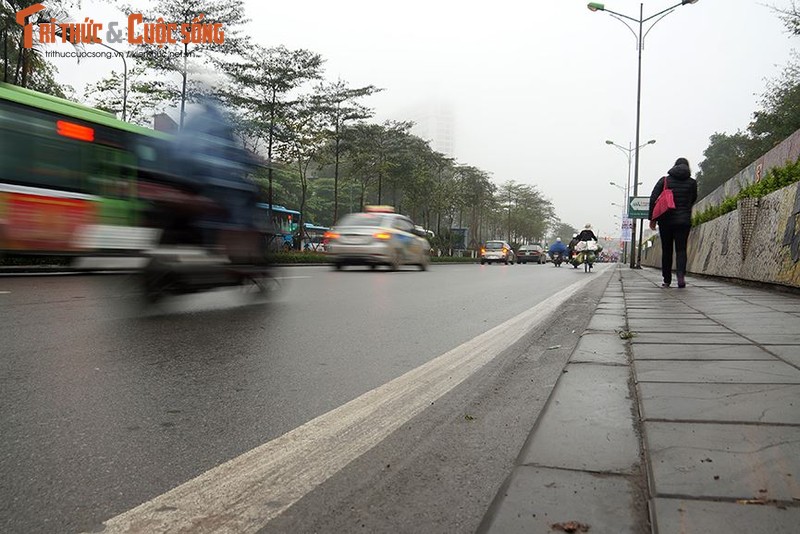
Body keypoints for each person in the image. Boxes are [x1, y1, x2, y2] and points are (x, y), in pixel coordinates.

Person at [648, 157, 698, 288]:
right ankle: (681, 276)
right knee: (681, 250)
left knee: (667, 250)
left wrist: (652, 219)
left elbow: (653, 199)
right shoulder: (692, 183)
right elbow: (692, 199)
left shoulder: (664, 180)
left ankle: (667, 280)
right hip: (683, 221)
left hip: (665, 220)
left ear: (674, 166)